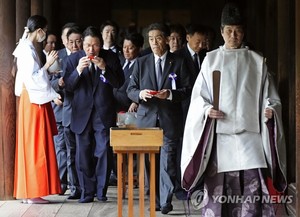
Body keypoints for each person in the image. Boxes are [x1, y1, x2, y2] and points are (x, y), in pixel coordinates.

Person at [180, 3, 287, 216]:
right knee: (220, 195)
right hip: (221, 138)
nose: (233, 35)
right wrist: (206, 109)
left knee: (252, 192)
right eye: (228, 30)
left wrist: (270, 110)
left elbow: (271, 97)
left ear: (244, 31)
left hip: (251, 137)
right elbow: (198, 97)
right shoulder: (211, 60)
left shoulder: (258, 61)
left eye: (238, 30)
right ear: (221, 32)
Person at [127, 22, 191, 214]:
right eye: (151, 39)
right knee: (149, 163)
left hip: (169, 119)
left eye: (158, 38)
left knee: (167, 161)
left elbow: (187, 89)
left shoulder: (178, 61)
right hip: (146, 119)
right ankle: (154, 200)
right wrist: (141, 94)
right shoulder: (141, 62)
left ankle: (165, 200)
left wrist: (169, 94)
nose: (154, 42)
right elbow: (130, 90)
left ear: (167, 39)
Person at [63, 26, 124, 203]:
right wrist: (78, 71)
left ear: (100, 45)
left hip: (103, 112)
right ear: (83, 44)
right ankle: (87, 192)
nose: (91, 50)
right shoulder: (73, 59)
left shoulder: (110, 58)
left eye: (96, 45)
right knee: (83, 153)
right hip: (81, 113)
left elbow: (118, 82)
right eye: (88, 45)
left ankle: (101, 191)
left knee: (104, 150)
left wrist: (104, 68)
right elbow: (67, 86)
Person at [13, 15, 62, 204]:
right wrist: (48, 65)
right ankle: (33, 192)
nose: (45, 34)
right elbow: (33, 78)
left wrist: (46, 70)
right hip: (33, 100)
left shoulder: (26, 47)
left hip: (30, 98)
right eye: (45, 30)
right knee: (36, 144)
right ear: (39, 30)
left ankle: (29, 192)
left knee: (31, 144)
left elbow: (32, 75)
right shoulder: (27, 49)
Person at [50, 25, 83, 199]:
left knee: (78, 150)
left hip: (82, 110)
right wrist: (58, 86)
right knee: (63, 150)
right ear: (66, 41)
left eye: (78, 41)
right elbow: (49, 81)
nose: (75, 45)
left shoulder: (86, 57)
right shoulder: (59, 57)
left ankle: (78, 185)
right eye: (71, 41)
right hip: (61, 108)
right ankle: (64, 184)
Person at [114, 32, 144, 113]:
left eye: (130, 48)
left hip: (129, 107)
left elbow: (144, 86)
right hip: (113, 104)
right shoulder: (119, 60)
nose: (126, 51)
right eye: (124, 47)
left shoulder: (143, 64)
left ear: (139, 48)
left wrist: (136, 101)